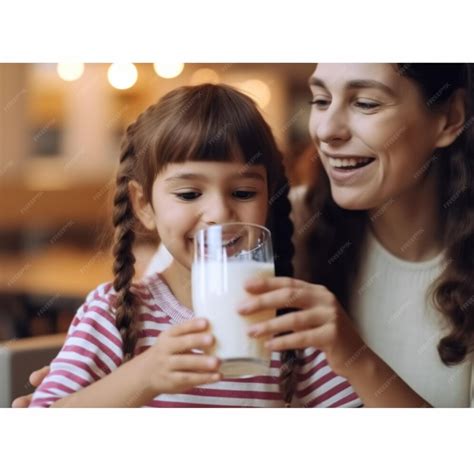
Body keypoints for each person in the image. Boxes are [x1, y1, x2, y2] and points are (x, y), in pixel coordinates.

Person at [25, 83, 360, 408]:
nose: (218, 214)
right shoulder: (113, 313)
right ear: (143, 205)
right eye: (189, 194)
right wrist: (143, 376)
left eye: (243, 193)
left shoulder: (289, 321)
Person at [237, 63, 474, 407]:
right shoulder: (271, 224)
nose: (327, 130)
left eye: (365, 103)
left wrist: (357, 360)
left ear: (450, 118)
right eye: (320, 100)